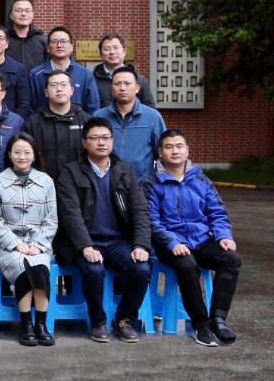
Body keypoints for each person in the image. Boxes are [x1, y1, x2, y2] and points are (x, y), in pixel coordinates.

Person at [55, 118, 152, 344]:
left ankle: (124, 320)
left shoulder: (124, 171)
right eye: (95, 138)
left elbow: (140, 211)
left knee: (141, 269)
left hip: (117, 242)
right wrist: (86, 246)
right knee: (93, 270)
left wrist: (140, 244)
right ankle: (98, 321)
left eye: (106, 138)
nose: (101, 142)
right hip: (84, 242)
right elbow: (70, 214)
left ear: (112, 141)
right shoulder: (70, 172)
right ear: (84, 142)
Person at [145, 129, 241, 347]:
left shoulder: (200, 179)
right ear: (160, 152)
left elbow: (217, 212)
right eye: (169, 147)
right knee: (187, 265)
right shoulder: (151, 183)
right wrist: (172, 242)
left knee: (231, 259)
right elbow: (151, 221)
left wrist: (223, 236)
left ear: (187, 150)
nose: (175, 151)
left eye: (179, 146)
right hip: (168, 245)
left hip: (201, 240)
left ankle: (218, 320)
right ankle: (201, 324)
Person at [0, 133, 58, 347]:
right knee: (22, 267)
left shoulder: (46, 181)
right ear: (9, 155)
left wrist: (38, 245)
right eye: (17, 152)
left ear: (34, 155)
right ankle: (26, 324)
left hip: (39, 242)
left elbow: (51, 220)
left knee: (39, 267)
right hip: (6, 244)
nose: (22, 156)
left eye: (27, 152)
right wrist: (15, 244)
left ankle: (41, 325)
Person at [93, 66, 166, 183]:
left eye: (127, 83)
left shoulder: (153, 117)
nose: (122, 88)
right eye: (117, 84)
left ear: (137, 88)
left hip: (143, 185)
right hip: (107, 184)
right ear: (111, 88)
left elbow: (163, 153)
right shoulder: (99, 116)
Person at [21, 70, 93, 179]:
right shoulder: (33, 122)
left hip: (79, 184)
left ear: (72, 91)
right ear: (46, 92)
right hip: (43, 183)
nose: (59, 89)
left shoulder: (86, 121)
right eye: (54, 85)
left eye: (63, 84)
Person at [29, 26, 100, 114]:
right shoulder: (36, 74)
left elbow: (93, 108)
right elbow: (31, 107)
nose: (59, 45)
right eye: (54, 41)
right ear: (48, 48)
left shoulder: (85, 74)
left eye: (64, 41)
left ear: (71, 47)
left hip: (78, 121)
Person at [93, 34, 156, 108]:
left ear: (124, 52)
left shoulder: (138, 79)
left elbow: (150, 107)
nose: (112, 52)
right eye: (107, 49)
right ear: (101, 54)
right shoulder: (92, 80)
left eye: (116, 48)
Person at [5, 0, 48, 69]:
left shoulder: (43, 40)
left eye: (27, 11)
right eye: (19, 10)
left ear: (33, 14)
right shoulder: (3, 39)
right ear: (11, 15)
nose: (23, 14)